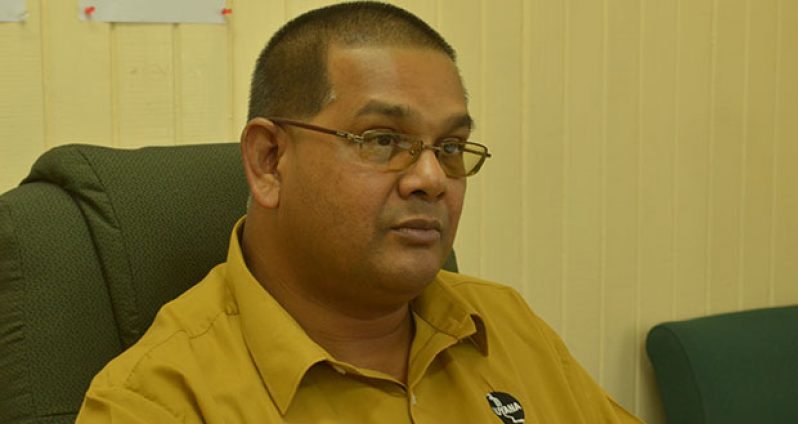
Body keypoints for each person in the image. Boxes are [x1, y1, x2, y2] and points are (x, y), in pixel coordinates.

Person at [76, 2, 641, 423]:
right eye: (382, 140)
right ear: (269, 160)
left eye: (450, 147)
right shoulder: (157, 403)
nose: (431, 179)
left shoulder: (505, 323)